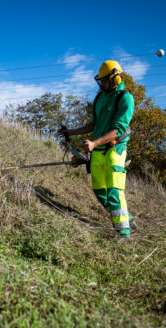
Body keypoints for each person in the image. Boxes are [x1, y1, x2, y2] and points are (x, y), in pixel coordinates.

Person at [58, 60, 135, 238]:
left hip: (115, 151)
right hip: (98, 151)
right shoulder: (100, 98)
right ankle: (127, 216)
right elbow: (93, 124)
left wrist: (93, 143)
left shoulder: (125, 99)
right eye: (99, 81)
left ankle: (124, 233)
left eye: (104, 80)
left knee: (114, 192)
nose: (101, 84)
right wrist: (71, 131)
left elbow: (118, 130)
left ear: (115, 78)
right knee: (100, 192)